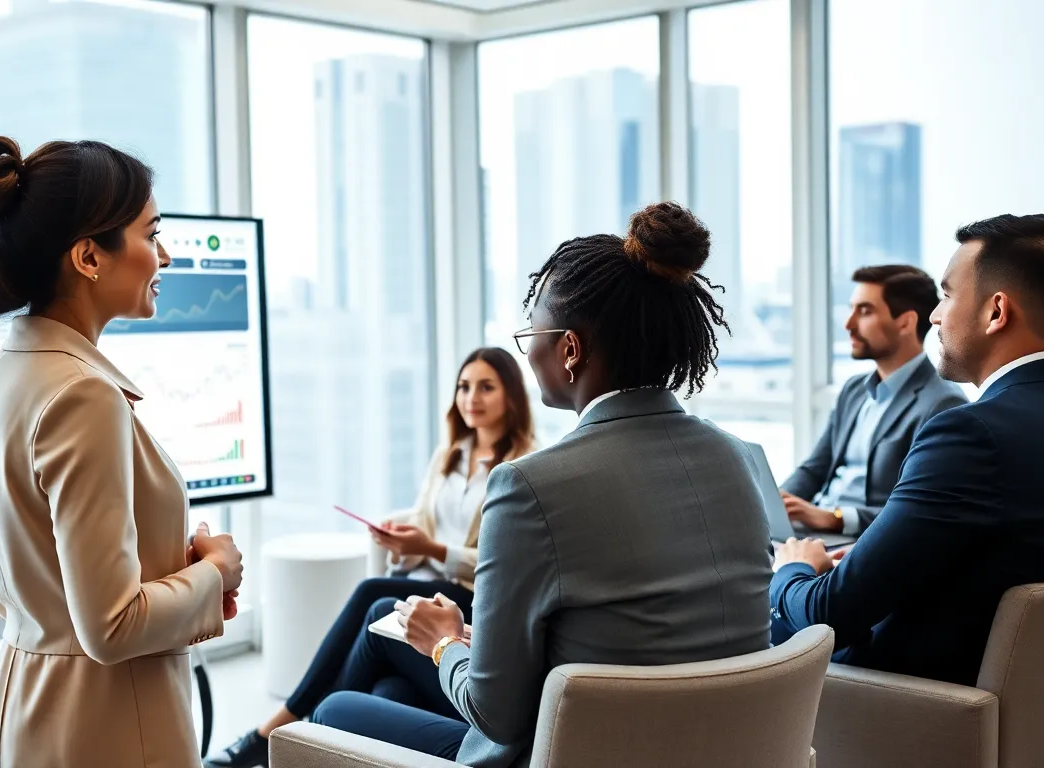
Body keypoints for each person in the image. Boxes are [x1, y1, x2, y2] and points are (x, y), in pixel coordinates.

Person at [309, 202, 774, 767]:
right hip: (717, 747)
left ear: (570, 349)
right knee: (389, 693)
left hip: (571, 752)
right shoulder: (740, 459)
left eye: (533, 331)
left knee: (336, 710)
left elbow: (498, 713)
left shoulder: (530, 486)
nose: (527, 350)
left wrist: (446, 643)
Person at [0, 136, 244, 768]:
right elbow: (112, 626)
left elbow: (28, 584)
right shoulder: (82, 396)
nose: (164, 256)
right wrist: (215, 572)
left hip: (32, 709)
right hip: (110, 725)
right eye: (151, 233)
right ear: (89, 256)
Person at [204, 348, 536, 768]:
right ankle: (313, 738)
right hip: (428, 584)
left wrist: (430, 550)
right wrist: (401, 542)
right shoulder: (450, 454)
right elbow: (423, 518)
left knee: (376, 598)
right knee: (389, 689)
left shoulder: (523, 465)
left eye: (486, 387)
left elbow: (500, 561)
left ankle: (282, 730)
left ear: (512, 396)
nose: (471, 397)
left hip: (466, 598)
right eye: (464, 386)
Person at [771, 213, 1044, 686]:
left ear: (996, 312)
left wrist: (793, 569)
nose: (936, 317)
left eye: (946, 296)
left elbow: (831, 613)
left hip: (908, 702)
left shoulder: (969, 433)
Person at [781, 265, 965, 535]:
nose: (848, 324)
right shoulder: (854, 391)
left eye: (865, 311)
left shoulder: (942, 403)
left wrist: (835, 518)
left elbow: (925, 511)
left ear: (905, 322)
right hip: (814, 533)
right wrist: (776, 505)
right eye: (851, 308)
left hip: (861, 541)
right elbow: (814, 470)